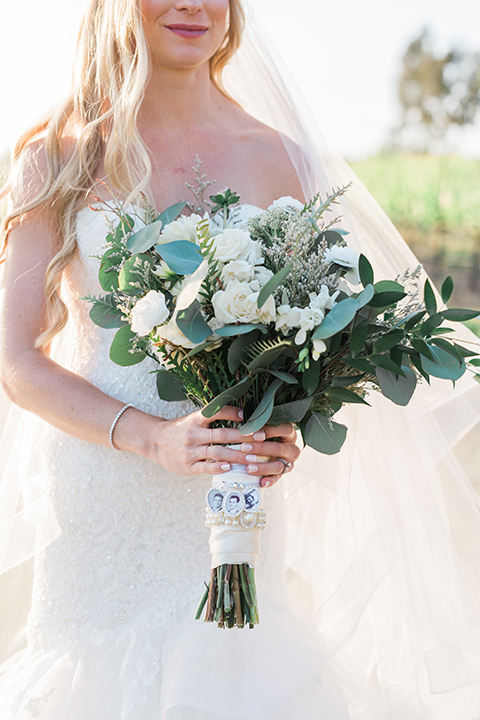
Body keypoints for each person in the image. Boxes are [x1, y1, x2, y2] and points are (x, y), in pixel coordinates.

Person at [2, 1, 480, 719]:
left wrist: (288, 419)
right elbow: (15, 359)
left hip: (236, 498)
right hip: (105, 500)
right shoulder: (63, 155)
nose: (193, 4)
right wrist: (152, 436)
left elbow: (320, 337)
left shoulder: (281, 158)